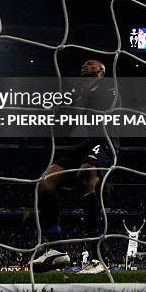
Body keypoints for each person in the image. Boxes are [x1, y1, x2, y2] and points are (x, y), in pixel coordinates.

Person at [33, 59, 118, 275]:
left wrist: (78, 95)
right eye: (84, 63)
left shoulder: (111, 87)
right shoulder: (76, 91)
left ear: (100, 70)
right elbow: (65, 128)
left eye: (90, 63)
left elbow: (102, 108)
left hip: (106, 142)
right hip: (86, 145)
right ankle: (57, 250)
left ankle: (98, 258)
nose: (85, 65)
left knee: (86, 174)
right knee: (46, 182)